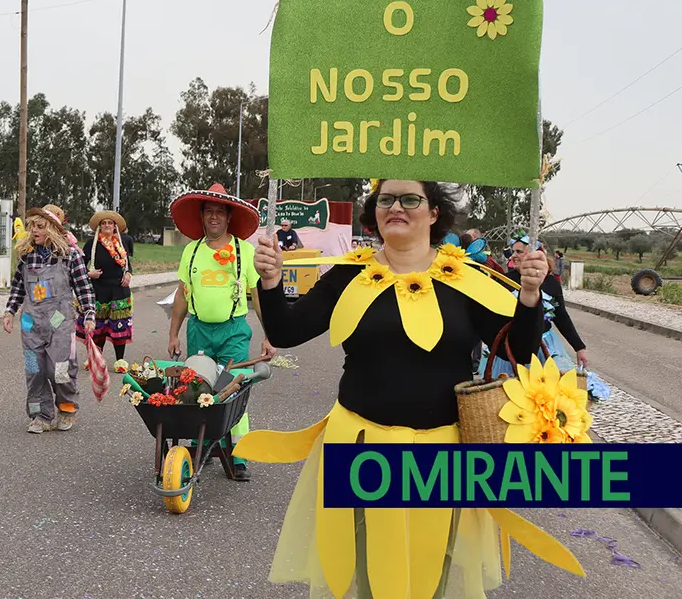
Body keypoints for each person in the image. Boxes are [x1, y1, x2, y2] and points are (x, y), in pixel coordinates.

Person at [239, 179, 581, 597]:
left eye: (410, 199)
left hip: (443, 452)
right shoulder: (350, 273)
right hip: (361, 446)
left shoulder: (467, 277)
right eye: (386, 200)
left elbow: (520, 350)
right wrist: (270, 283)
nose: (396, 207)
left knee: (430, 574)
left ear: (434, 212)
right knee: (368, 573)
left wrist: (529, 296)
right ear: (375, 212)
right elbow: (287, 330)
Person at [166, 183, 273, 482]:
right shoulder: (192, 250)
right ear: (202, 217)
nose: (214, 217)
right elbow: (181, 294)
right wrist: (173, 334)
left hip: (233, 330)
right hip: (199, 330)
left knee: (232, 387)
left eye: (219, 212)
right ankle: (201, 443)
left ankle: (238, 454)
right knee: (195, 385)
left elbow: (257, 295)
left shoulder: (244, 249)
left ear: (228, 218)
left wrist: (270, 334)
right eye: (209, 212)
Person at [3, 207, 96, 434]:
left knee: (60, 370)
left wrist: (89, 314)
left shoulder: (70, 256)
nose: (34, 230)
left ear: (52, 229)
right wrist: (9, 311)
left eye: (40, 226)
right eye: (32, 226)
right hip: (31, 321)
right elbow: (18, 287)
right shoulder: (26, 256)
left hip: (59, 319)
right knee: (35, 371)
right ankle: (40, 415)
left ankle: (66, 409)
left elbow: (83, 288)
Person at [488, 235, 588, 377]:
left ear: (535, 255)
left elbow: (561, 317)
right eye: (513, 252)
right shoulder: (505, 281)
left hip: (547, 347)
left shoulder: (551, 282)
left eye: (519, 252)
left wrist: (579, 347)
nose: (513, 256)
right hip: (513, 348)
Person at [78, 210, 134, 369]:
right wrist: (89, 273)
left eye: (110, 223)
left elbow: (128, 264)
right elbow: (80, 264)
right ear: (99, 227)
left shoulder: (121, 243)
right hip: (99, 289)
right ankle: (95, 358)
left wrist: (128, 274)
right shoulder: (92, 244)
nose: (107, 226)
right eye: (104, 223)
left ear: (115, 226)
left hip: (119, 290)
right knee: (98, 326)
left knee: (120, 325)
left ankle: (120, 360)